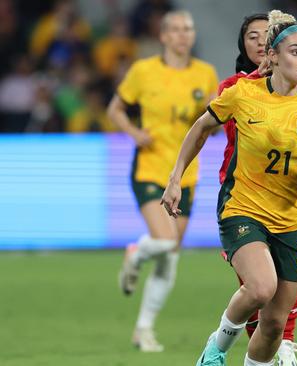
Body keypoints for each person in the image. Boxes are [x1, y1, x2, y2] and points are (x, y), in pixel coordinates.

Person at [161, 9, 297, 366]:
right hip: (242, 208)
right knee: (261, 288)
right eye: (295, 51)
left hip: (293, 220)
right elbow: (200, 128)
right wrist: (175, 178)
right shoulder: (242, 93)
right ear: (273, 56)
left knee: (275, 325)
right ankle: (216, 348)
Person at [107, 10, 218, 352]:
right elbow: (115, 109)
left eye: (189, 28)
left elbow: (213, 120)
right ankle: (136, 253)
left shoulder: (205, 73)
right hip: (151, 169)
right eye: (177, 29)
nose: (184, 35)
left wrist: (216, 122)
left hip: (186, 174)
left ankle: (143, 329)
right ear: (164, 36)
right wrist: (134, 132)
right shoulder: (144, 71)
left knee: (171, 255)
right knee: (166, 242)